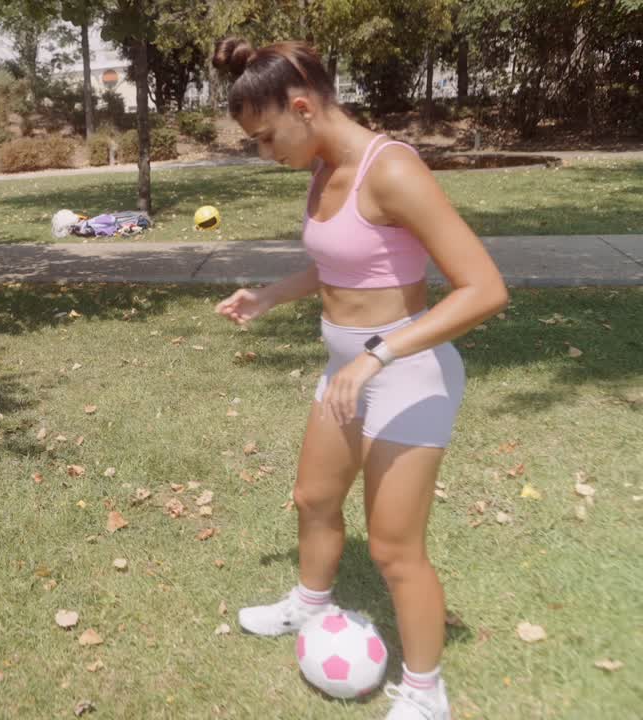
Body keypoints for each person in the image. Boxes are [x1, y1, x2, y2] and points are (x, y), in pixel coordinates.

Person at [211, 38, 508, 720]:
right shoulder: (322, 165)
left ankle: (427, 692)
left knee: (395, 548)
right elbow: (346, 262)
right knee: (314, 498)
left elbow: (485, 288)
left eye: (265, 137)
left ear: (303, 107)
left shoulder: (392, 170)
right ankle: (308, 606)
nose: (264, 152)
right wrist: (270, 295)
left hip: (408, 375)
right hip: (348, 369)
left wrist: (380, 352)